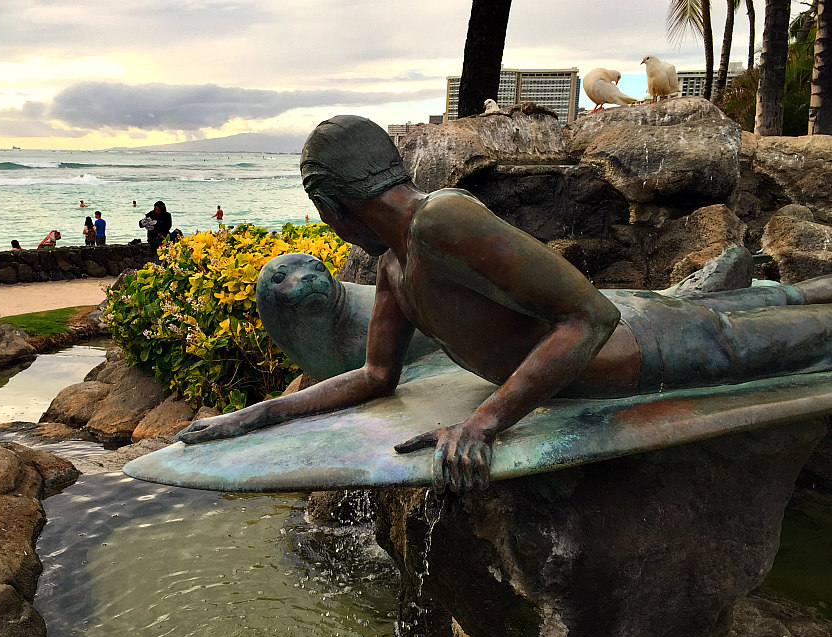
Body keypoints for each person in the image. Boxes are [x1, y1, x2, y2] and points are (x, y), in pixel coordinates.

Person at [177, 114, 832, 493]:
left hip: (655, 350)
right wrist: (257, 415)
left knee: (813, 334)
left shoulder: (442, 221)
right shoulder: (395, 268)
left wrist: (485, 421)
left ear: (328, 205)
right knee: (791, 296)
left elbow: (592, 318)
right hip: (642, 320)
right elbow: (377, 378)